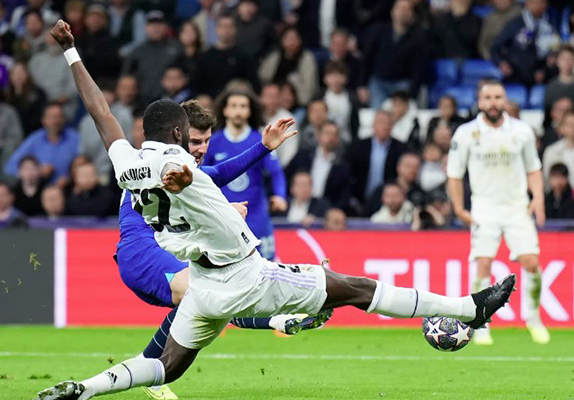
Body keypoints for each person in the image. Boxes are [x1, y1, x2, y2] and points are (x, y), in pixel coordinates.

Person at [35, 21, 516, 400]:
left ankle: (86, 388)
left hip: (204, 288)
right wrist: (184, 178)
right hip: (247, 275)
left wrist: (72, 52)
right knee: (357, 289)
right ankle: (469, 308)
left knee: (165, 366)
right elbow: (181, 173)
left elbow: (101, 113)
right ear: (180, 133)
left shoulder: (127, 161)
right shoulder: (180, 165)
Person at [447, 79, 548, 345]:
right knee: (484, 263)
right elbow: (454, 174)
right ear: (480, 102)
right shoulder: (466, 133)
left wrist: (537, 198)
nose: (493, 102)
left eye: (498, 97)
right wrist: (459, 207)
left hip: (517, 207)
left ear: (505, 100)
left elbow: (534, 169)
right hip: (484, 207)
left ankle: (534, 317)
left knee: (532, 262)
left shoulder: (522, 131)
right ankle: (480, 324)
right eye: (488, 98)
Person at [204, 90, 287, 260]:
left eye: (243, 106)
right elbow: (203, 177)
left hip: (256, 215)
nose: (238, 111)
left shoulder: (262, 140)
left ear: (250, 111)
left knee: (267, 264)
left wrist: (280, 195)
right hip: (223, 216)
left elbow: (276, 172)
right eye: (234, 106)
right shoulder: (213, 142)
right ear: (225, 110)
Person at [358, 0, 430, 108]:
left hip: (403, 83)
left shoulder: (419, 36)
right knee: (377, 112)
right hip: (379, 82)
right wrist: (362, 85)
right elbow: (368, 58)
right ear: (392, 12)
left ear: (412, 14)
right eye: (400, 9)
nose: (403, 13)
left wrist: (412, 92)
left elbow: (420, 68)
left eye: (406, 10)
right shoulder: (379, 32)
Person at [5, 102, 79, 185]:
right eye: (51, 117)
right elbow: (11, 167)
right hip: (40, 188)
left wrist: (70, 178)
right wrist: (37, 171)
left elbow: (84, 164)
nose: (55, 121)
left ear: (64, 119)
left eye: (58, 117)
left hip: (70, 187)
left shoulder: (75, 139)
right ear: (43, 120)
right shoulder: (35, 139)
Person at [348, 110, 406, 215]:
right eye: (380, 122)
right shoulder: (358, 147)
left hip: (389, 201)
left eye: (387, 123)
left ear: (392, 126)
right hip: (360, 198)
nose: (384, 127)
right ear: (373, 125)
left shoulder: (400, 148)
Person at [491, 0, 561, 86]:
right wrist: (501, 63)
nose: (537, 5)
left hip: (543, 76)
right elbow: (496, 47)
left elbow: (556, 48)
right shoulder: (515, 23)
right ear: (527, 4)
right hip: (516, 74)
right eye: (534, 2)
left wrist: (545, 69)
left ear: (546, 5)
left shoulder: (551, 24)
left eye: (541, 2)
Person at [286, 121, 351, 210]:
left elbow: (344, 195)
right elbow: (287, 177)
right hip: (298, 206)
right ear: (318, 135)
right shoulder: (303, 156)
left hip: (326, 211)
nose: (331, 138)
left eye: (334, 134)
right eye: (327, 133)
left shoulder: (343, 165)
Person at [123, 10, 183, 105]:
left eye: (159, 24)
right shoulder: (137, 51)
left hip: (172, 100)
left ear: (166, 26)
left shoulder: (177, 48)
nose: (156, 27)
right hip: (142, 101)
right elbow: (126, 75)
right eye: (152, 24)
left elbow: (187, 73)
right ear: (146, 27)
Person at [193, 13, 259, 99]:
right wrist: (202, 97)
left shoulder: (244, 56)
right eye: (222, 26)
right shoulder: (206, 56)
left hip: (235, 101)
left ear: (235, 29)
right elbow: (197, 85)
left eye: (229, 26)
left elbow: (253, 84)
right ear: (216, 29)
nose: (226, 30)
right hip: (209, 102)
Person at [258, 26, 318, 106]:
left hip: (299, 100)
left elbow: (309, 86)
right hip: (276, 99)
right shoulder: (275, 56)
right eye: (288, 38)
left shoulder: (307, 58)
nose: (291, 42)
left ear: (300, 40)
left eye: (294, 38)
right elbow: (263, 77)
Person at [321, 61, 360, 144]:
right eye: (332, 75)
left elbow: (355, 122)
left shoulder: (351, 98)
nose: (335, 79)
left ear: (346, 78)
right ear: (325, 78)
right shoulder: (320, 97)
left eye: (339, 75)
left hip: (345, 139)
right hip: (324, 139)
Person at [260, 82, 298, 167]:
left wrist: (278, 170)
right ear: (261, 98)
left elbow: (290, 152)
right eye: (269, 96)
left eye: (276, 96)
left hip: (279, 166)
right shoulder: (253, 117)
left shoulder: (288, 119)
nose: (272, 100)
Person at [4, 62, 47, 136]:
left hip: (33, 132)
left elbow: (40, 116)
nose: (18, 76)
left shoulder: (37, 94)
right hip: (12, 132)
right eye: (15, 73)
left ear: (27, 75)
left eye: (21, 73)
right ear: (10, 76)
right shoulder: (5, 96)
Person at [544, 45, 574, 127]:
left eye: (570, 59)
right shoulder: (551, 86)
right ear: (557, 61)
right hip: (556, 127)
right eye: (563, 59)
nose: (566, 62)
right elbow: (547, 114)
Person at [543, 111, 574, 189]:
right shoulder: (551, 151)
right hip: (559, 195)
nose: (573, 128)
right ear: (561, 127)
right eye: (569, 124)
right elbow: (547, 181)